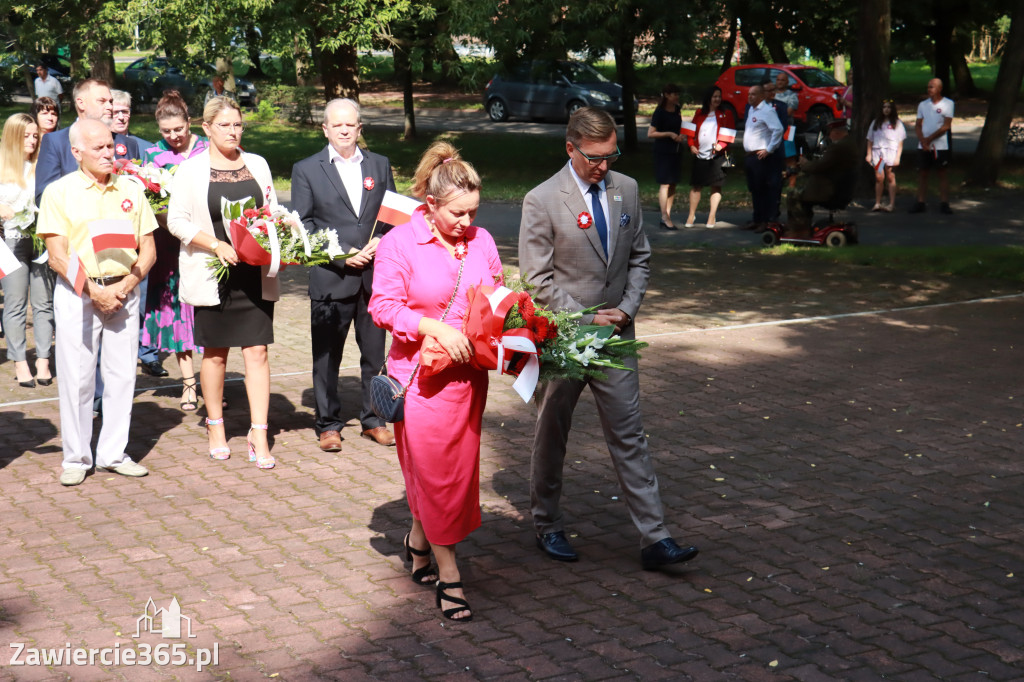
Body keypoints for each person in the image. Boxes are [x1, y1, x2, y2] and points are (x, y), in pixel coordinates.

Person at [518, 107, 699, 571]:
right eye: (595, 157)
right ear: (570, 147)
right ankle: (547, 523)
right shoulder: (541, 200)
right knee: (552, 433)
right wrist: (587, 318)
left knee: (629, 434)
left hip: (618, 337)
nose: (604, 165)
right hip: (565, 339)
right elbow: (537, 281)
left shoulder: (628, 190)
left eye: (611, 154)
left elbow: (640, 259)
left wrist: (627, 309)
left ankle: (655, 538)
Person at [368, 141, 502, 622]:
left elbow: (495, 296)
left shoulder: (481, 240)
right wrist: (434, 326)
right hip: (419, 380)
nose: (467, 223)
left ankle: (418, 540)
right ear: (430, 205)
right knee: (436, 475)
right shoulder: (400, 243)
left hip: (467, 378)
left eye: (472, 212)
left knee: (456, 475)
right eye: (458, 214)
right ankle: (450, 575)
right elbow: (382, 306)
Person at [37, 119, 157, 486]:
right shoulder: (59, 193)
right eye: (100, 148)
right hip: (78, 294)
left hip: (124, 291)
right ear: (77, 153)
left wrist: (126, 285)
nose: (110, 153)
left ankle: (113, 453)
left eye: (111, 145)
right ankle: (76, 456)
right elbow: (57, 256)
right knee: (77, 375)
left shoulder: (132, 189)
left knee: (122, 375)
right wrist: (96, 292)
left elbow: (148, 248)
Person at [166, 96, 278, 469]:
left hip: (253, 274)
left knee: (257, 352)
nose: (233, 131)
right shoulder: (191, 170)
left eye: (238, 125)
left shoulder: (258, 164)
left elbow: (272, 212)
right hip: (212, 274)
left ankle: (258, 432)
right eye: (225, 125)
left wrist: (278, 235)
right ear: (207, 128)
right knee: (215, 354)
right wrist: (215, 245)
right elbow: (176, 221)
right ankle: (216, 426)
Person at [292, 98, 396, 452]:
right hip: (331, 277)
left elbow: (393, 214)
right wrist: (340, 255)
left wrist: (382, 240)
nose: (344, 130)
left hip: (374, 277)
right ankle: (328, 423)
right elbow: (302, 225)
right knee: (326, 355)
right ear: (325, 129)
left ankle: (374, 419)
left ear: (359, 127)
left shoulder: (379, 165)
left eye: (350, 124)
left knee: (374, 354)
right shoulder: (306, 169)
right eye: (337, 125)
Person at [141, 91, 209, 411]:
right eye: (166, 131)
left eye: (178, 130)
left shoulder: (208, 151)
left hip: (206, 245)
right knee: (180, 315)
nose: (173, 137)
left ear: (189, 122)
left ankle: (212, 378)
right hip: (169, 248)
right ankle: (189, 384)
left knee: (208, 315)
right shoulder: (153, 156)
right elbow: (146, 204)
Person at [108, 88, 162, 379]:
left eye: (125, 111)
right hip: (109, 234)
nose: (120, 116)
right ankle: (123, 353)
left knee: (145, 293)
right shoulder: (100, 147)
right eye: (115, 111)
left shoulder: (144, 146)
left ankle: (148, 352)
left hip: (142, 231)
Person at [0, 113, 53, 388]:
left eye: (35, 135)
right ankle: (20, 361)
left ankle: (43, 359)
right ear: (12, 136)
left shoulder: (40, 165)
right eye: (26, 136)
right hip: (9, 243)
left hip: (41, 241)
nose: (32, 140)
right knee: (15, 303)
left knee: (44, 302)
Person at [35, 79, 143, 207]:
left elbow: (137, 191)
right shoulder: (56, 142)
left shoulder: (127, 143)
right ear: (81, 103)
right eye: (102, 101)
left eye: (110, 101)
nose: (110, 107)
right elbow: (44, 196)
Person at [785, 120, 861, 239]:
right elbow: (827, 164)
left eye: (829, 133)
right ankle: (803, 227)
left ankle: (799, 230)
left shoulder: (837, 147)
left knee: (794, 196)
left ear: (836, 132)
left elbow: (818, 167)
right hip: (839, 187)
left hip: (829, 189)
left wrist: (804, 164)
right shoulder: (850, 143)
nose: (829, 136)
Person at [683, 86, 736, 229]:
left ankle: (712, 216)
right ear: (708, 98)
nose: (717, 99)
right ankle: (691, 214)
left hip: (718, 156)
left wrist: (722, 145)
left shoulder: (726, 113)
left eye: (719, 96)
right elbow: (690, 131)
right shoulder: (699, 113)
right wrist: (691, 145)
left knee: (716, 186)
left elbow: (730, 133)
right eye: (714, 96)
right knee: (696, 186)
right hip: (700, 154)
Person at [742, 85, 784, 233]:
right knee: (754, 189)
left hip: (760, 156)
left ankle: (765, 221)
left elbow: (778, 129)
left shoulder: (767, 111)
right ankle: (757, 218)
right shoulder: (751, 109)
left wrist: (769, 149)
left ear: (761, 96)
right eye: (749, 94)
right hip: (750, 156)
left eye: (753, 94)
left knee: (762, 189)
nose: (750, 97)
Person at [910, 78, 954, 215]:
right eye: (928, 87)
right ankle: (920, 202)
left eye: (932, 87)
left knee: (942, 173)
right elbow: (918, 124)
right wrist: (923, 140)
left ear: (940, 88)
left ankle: (944, 203)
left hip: (940, 146)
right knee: (923, 173)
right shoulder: (923, 105)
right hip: (924, 146)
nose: (929, 89)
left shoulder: (948, 104)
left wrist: (929, 139)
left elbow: (946, 126)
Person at [647, 84, 683, 229]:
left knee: (673, 183)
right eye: (675, 94)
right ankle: (663, 215)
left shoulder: (677, 109)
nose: (677, 96)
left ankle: (667, 215)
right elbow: (651, 133)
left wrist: (681, 135)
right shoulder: (660, 112)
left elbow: (678, 126)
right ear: (667, 95)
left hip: (676, 150)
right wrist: (669, 134)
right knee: (665, 183)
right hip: (663, 151)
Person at [865, 99, 906, 212]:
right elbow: (870, 139)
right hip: (879, 154)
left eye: (889, 107)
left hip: (891, 153)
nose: (886, 109)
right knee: (879, 177)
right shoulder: (876, 122)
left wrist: (898, 157)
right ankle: (877, 203)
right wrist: (869, 154)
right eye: (884, 107)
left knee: (890, 176)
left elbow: (900, 142)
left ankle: (891, 204)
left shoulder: (897, 123)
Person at [773, 72, 801, 188]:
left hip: (787, 129)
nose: (780, 82)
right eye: (778, 79)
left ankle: (792, 184)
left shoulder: (792, 95)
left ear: (787, 82)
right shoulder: (771, 94)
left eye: (782, 80)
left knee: (789, 156)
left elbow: (788, 112)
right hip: (772, 130)